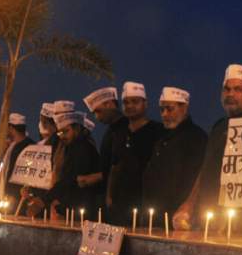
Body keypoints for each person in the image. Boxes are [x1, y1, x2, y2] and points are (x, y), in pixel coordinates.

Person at [174, 64, 242, 229]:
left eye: (238, 89)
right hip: (208, 217)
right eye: (226, 89)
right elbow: (205, 168)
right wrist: (189, 204)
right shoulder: (218, 126)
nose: (231, 94)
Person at [142, 87, 208, 221]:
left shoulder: (196, 137)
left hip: (179, 215)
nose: (164, 114)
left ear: (184, 108)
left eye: (170, 109)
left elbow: (199, 177)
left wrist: (187, 207)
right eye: (162, 109)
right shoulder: (162, 138)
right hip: (155, 214)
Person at [107, 82, 164, 225]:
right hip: (120, 203)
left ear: (145, 104)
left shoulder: (158, 131)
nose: (130, 106)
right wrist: (109, 195)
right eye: (126, 102)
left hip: (145, 202)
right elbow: (114, 166)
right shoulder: (119, 132)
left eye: (135, 101)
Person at [33, 111, 100, 219]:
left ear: (76, 129)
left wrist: (46, 199)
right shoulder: (70, 146)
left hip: (81, 207)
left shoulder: (82, 148)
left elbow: (70, 178)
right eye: (59, 133)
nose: (62, 136)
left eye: (66, 131)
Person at [77, 86, 124, 215]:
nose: (97, 118)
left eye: (98, 111)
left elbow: (119, 165)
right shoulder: (111, 130)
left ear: (109, 104)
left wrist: (97, 177)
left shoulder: (125, 129)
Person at [1, 113, 35, 207]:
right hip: (9, 196)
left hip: (20, 199)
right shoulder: (12, 146)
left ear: (11, 128)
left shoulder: (31, 147)